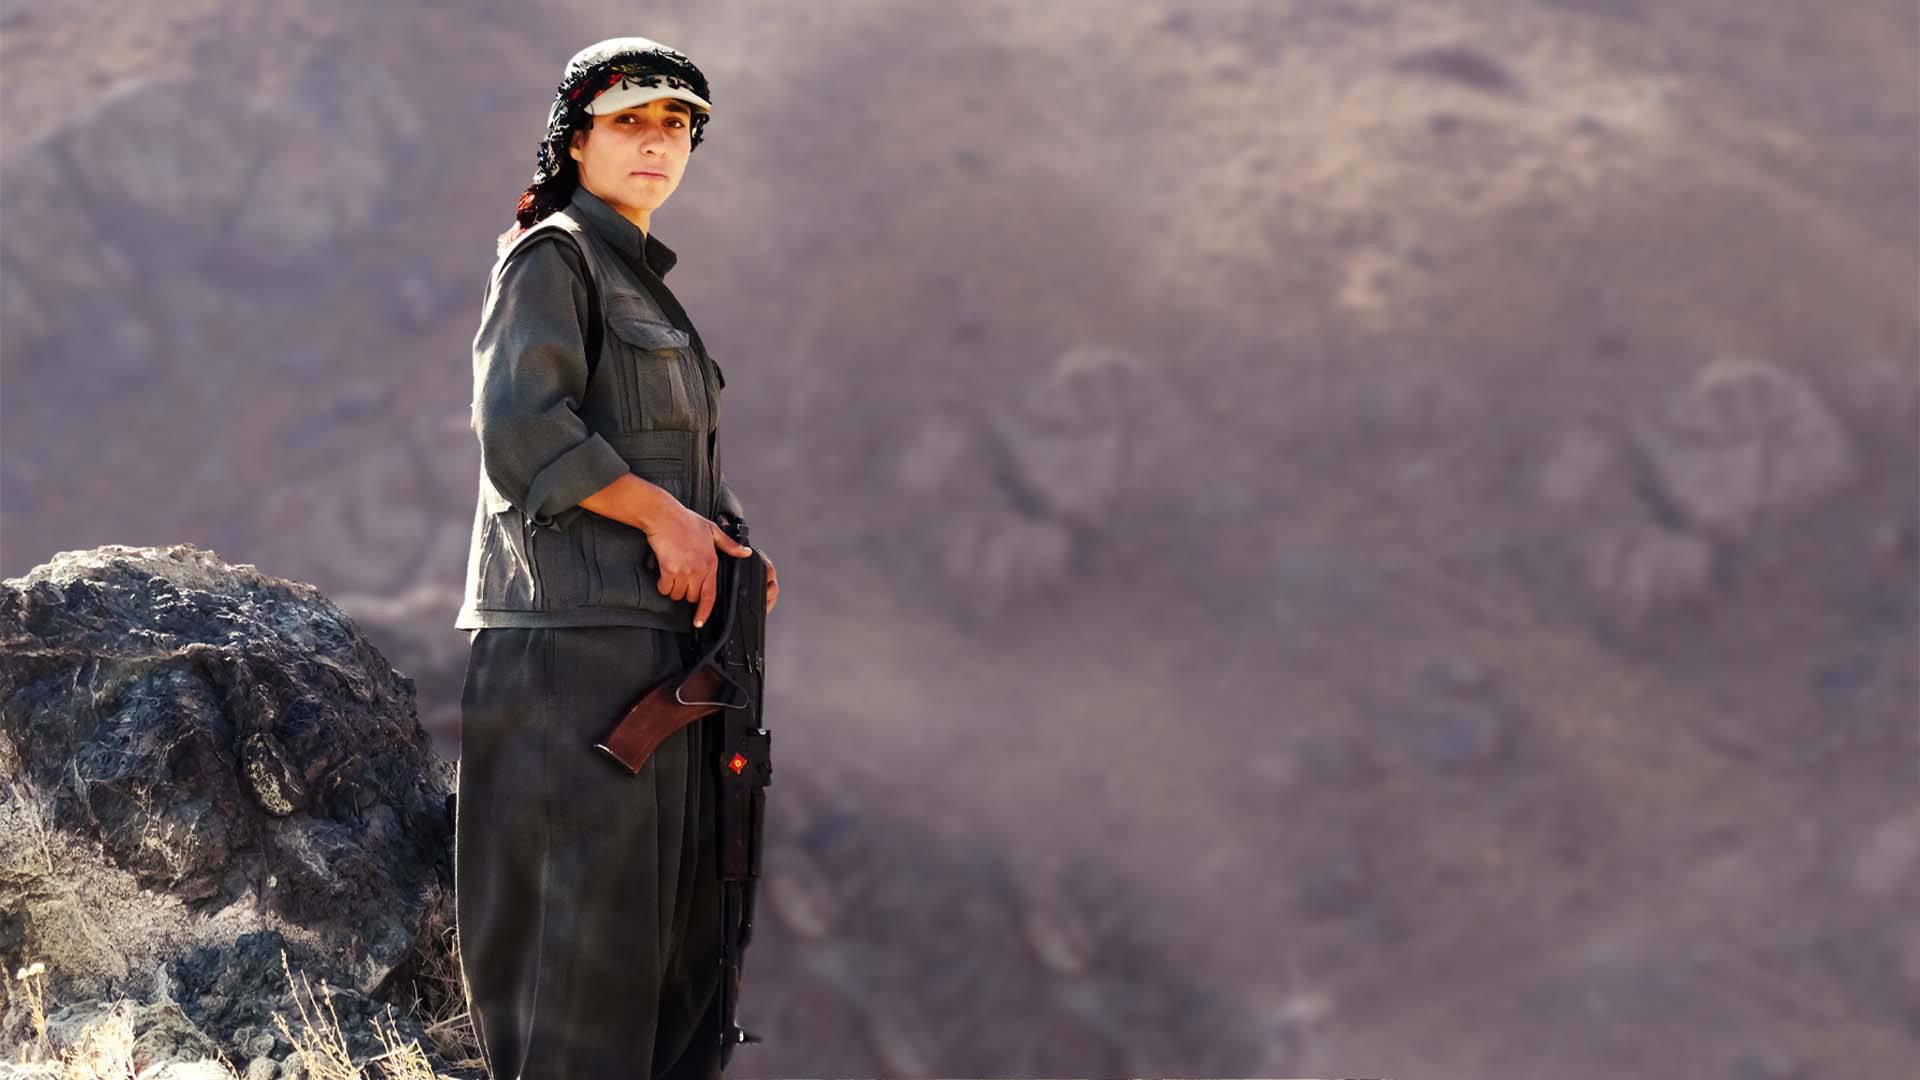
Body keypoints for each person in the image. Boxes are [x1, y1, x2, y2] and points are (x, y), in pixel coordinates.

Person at [450, 35, 777, 1080]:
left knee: (671, 956)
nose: (655, 143)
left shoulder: (640, 281)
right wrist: (665, 522)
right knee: (576, 964)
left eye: (675, 126)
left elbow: (657, 446)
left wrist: (724, 538)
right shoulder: (553, 257)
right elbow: (521, 427)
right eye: (628, 121)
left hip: (658, 656)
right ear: (575, 139)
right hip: (567, 650)